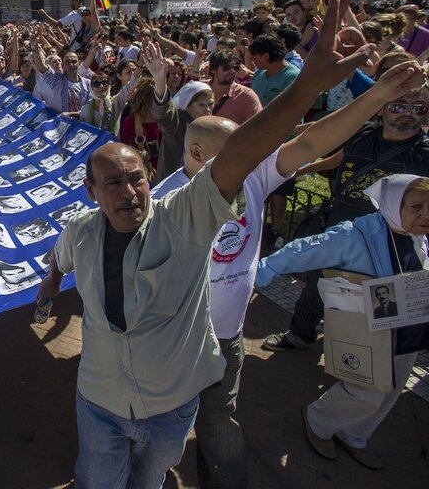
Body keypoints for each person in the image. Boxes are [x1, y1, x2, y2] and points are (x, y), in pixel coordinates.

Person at [35, 0, 377, 489]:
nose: (130, 192)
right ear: (91, 192)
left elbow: (266, 150)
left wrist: (319, 88)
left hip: (179, 395)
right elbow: (59, 260)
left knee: (166, 467)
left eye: (138, 179)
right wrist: (49, 284)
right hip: (101, 404)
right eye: (113, 183)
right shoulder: (80, 234)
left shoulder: (182, 216)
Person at [149, 59, 423, 488]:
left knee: (220, 420)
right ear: (198, 154)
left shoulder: (253, 175)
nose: (250, 158)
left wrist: (380, 96)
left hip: (226, 336)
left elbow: (312, 142)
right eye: (236, 151)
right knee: (164, 425)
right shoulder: (161, 203)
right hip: (174, 339)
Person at [256, 175, 429, 470]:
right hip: (370, 330)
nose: (426, 215)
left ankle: (355, 435)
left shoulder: (419, 236)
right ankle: (319, 420)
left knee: (392, 389)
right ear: (391, 203)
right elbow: (304, 250)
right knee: (367, 388)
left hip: (409, 329)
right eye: (416, 207)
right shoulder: (355, 235)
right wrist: (251, 277)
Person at [262, 81, 429, 351]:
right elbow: (323, 136)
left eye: (418, 108)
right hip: (339, 226)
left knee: (377, 303)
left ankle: (364, 359)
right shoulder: (360, 133)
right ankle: (300, 333)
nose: (407, 113)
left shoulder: (425, 154)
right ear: (382, 109)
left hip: (387, 245)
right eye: (398, 105)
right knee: (317, 283)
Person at [204, 50, 262, 124]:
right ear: (213, 70)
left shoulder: (245, 95)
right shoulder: (199, 89)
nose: (232, 71)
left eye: (235, 67)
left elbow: (259, 124)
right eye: (226, 67)